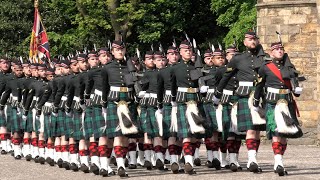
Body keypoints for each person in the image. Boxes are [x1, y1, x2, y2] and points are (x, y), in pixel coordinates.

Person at [215, 31, 266, 173]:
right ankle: (252, 160)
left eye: (254, 39)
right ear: (244, 42)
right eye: (249, 39)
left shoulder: (264, 58)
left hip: (260, 95)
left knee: (256, 130)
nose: (252, 41)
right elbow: (226, 76)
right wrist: (218, 93)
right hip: (244, 95)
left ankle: (252, 159)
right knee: (250, 128)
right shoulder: (238, 59)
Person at [253, 41, 303, 176]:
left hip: (287, 103)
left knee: (284, 134)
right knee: (276, 132)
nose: (279, 51)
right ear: (271, 52)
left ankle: (280, 160)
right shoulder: (265, 67)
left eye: (281, 49)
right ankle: (278, 162)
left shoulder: (290, 68)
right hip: (272, 102)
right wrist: (256, 101)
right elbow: (259, 85)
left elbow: (296, 91)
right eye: (276, 50)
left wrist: (298, 89)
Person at [101, 40, 139, 177]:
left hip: (128, 100)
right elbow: (104, 87)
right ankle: (114, 166)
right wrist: (104, 104)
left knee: (125, 135)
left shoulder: (130, 66)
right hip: (114, 100)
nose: (120, 52)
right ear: (112, 51)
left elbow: (135, 84)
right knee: (115, 135)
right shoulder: (107, 67)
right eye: (117, 50)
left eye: (122, 50)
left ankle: (121, 164)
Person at [170, 41, 206, 175]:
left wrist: (202, 90)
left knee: (193, 134)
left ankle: (186, 160)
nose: (188, 52)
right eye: (185, 50)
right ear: (180, 52)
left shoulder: (196, 67)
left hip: (195, 100)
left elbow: (200, 83)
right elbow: (173, 86)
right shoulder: (175, 68)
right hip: (182, 100)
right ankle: (189, 163)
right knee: (185, 133)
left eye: (190, 50)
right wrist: (173, 100)